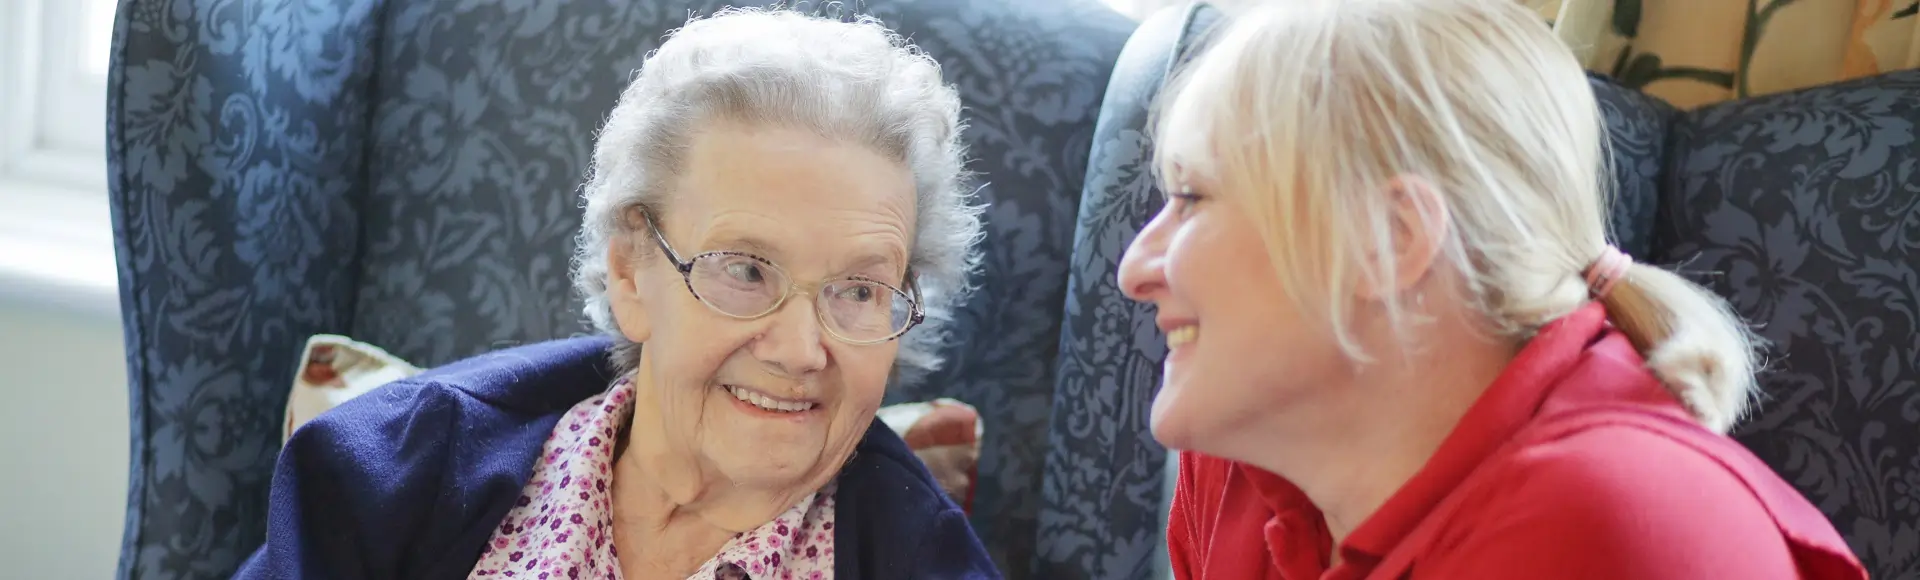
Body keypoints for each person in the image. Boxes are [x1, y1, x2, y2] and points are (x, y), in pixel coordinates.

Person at [235, 8, 998, 580]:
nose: (802, 352)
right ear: (631, 272)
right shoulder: (399, 471)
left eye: (858, 290)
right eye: (745, 271)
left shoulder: (923, 561)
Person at [1117, 0, 1869, 578]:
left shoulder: (1609, 523)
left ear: (1392, 239)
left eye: (1191, 197)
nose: (1133, 270)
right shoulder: (1246, 472)